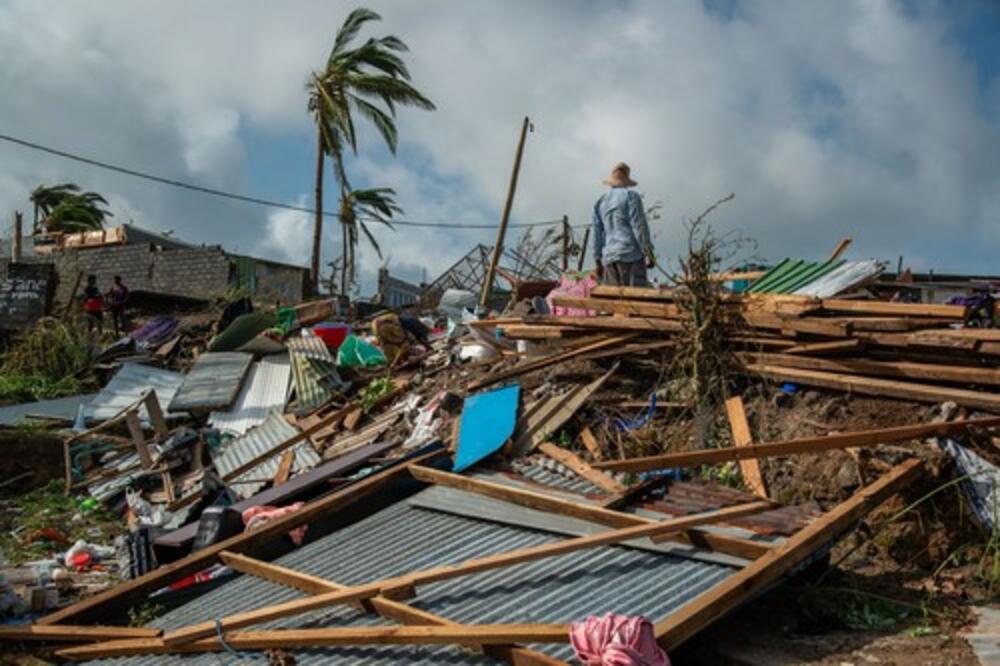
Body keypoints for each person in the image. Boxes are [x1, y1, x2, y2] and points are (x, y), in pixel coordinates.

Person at [592, 162, 655, 287]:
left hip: (609, 258)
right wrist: (649, 252)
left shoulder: (600, 202)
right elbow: (639, 226)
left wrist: (597, 260)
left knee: (614, 301)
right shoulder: (631, 197)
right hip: (631, 255)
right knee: (634, 300)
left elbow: (597, 234)